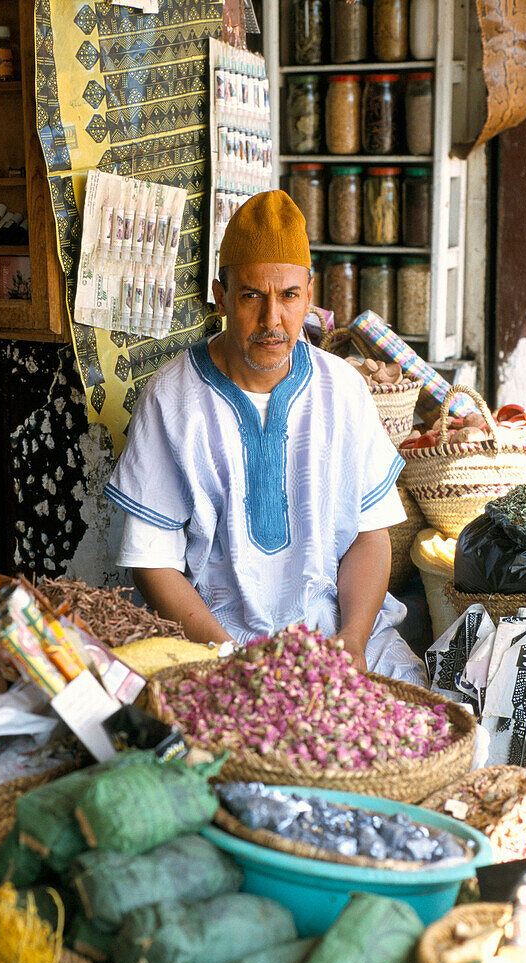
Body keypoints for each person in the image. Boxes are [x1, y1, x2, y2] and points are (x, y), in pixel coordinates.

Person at [104, 190, 426, 685]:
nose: (272, 319)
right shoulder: (171, 399)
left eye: (289, 296)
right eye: (252, 295)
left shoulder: (342, 389)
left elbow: (368, 535)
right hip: (214, 642)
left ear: (310, 295)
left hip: (332, 634)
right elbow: (153, 563)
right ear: (221, 294)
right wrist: (231, 659)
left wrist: (353, 642)